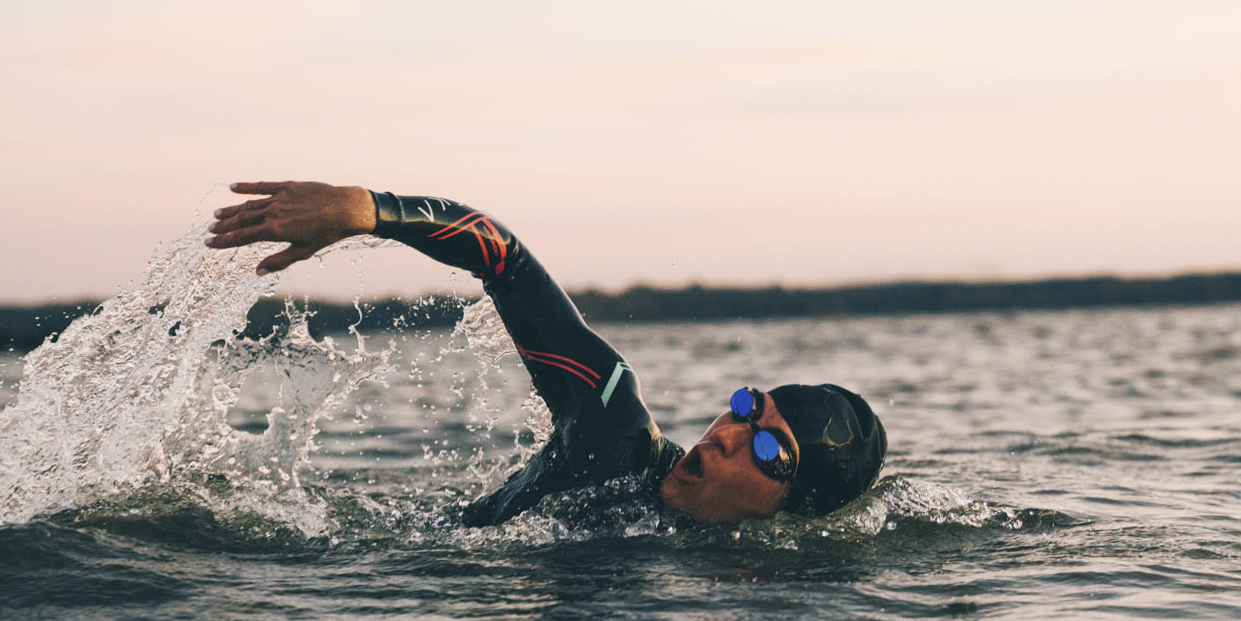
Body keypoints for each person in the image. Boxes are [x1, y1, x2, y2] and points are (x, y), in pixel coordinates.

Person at [205, 181, 885, 527]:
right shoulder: (613, 433)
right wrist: (366, 209)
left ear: (790, 513)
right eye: (746, 407)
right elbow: (504, 258)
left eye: (768, 452)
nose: (729, 435)